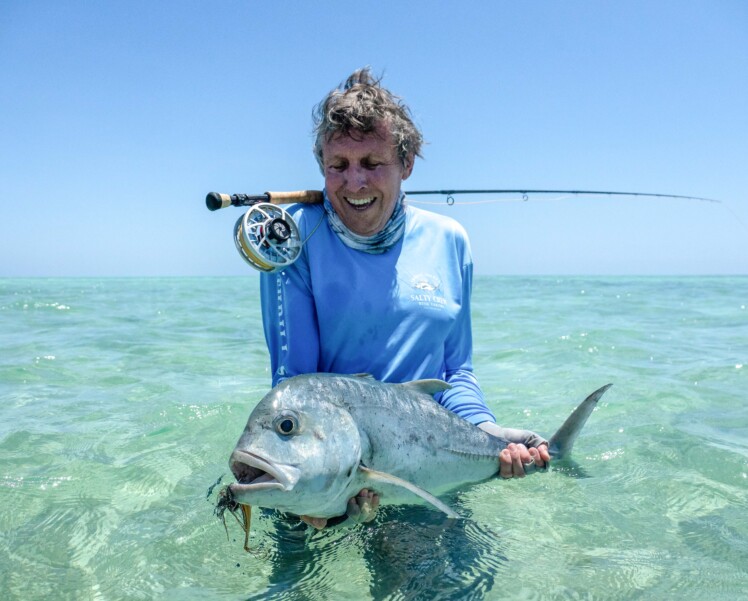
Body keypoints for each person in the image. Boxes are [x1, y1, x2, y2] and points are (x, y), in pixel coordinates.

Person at [259, 68, 550, 529]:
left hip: (423, 470)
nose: (354, 183)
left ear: (407, 162)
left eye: (372, 163)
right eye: (338, 166)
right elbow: (296, 387)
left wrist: (488, 433)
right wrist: (322, 505)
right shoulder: (293, 237)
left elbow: (457, 370)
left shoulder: (449, 240)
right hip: (323, 470)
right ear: (321, 166)